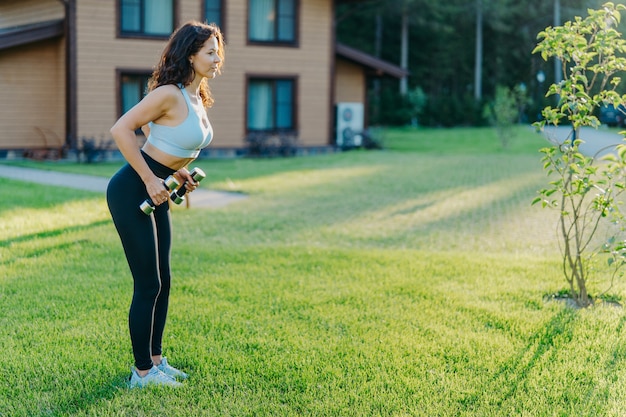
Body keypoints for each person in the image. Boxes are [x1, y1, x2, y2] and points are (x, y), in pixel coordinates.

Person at [106, 20, 224, 388]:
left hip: (158, 189)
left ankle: (156, 361)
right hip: (131, 190)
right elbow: (122, 129)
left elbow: (170, 146)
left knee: (164, 281)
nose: (218, 57)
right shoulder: (169, 93)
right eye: (210, 51)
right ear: (191, 54)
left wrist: (178, 174)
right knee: (148, 283)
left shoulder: (196, 97)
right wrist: (151, 178)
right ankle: (141, 372)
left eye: (219, 50)